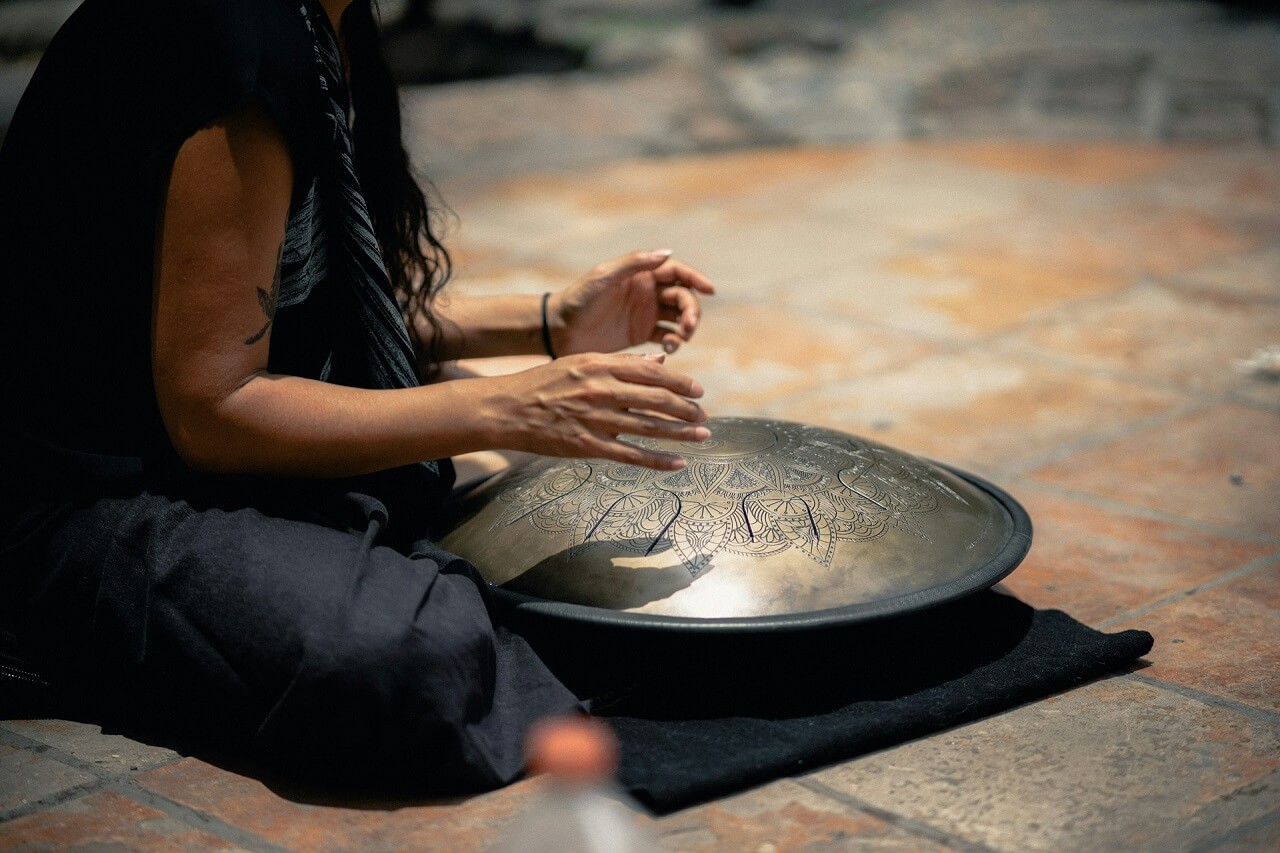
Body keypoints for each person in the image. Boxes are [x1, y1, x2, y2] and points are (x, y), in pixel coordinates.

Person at [0, 0, 714, 792]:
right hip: (73, 505)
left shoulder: (326, 19)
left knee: (480, 520)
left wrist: (549, 321)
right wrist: (506, 406)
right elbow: (214, 406)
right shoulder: (223, 32)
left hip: (195, 452)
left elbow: (298, 313)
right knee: (412, 651)